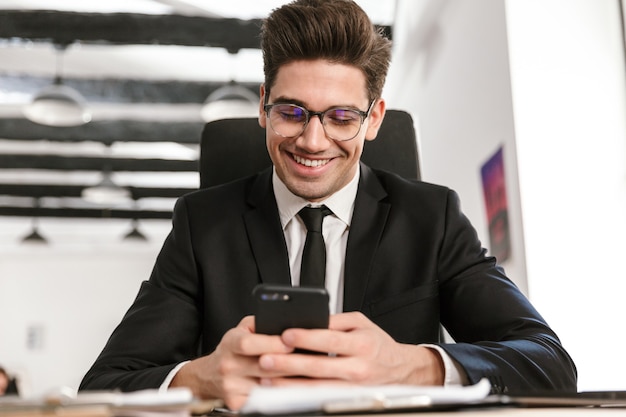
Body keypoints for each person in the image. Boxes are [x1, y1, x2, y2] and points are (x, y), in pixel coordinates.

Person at [80, 0, 577, 410]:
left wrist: (412, 365)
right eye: (292, 112)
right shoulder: (202, 224)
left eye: (341, 117)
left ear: (375, 118)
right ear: (262, 107)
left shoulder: (433, 218)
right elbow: (103, 385)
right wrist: (202, 378)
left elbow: (549, 363)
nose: (313, 141)